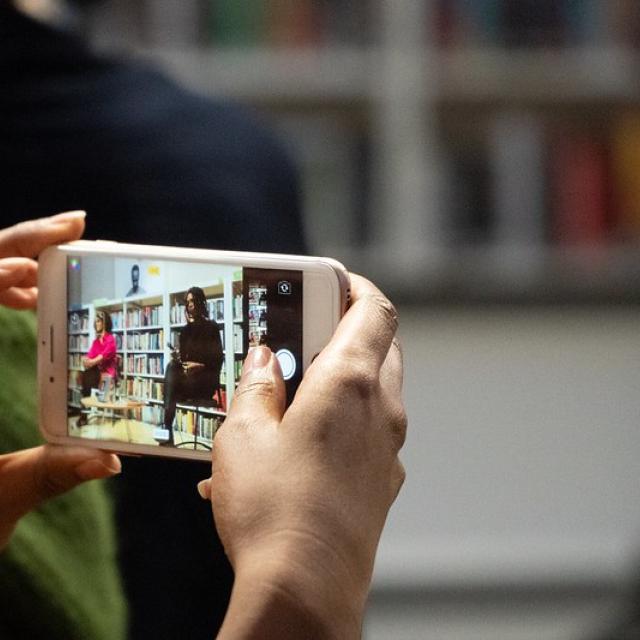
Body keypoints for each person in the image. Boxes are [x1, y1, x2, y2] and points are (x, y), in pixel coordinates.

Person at [0, 212, 406, 638]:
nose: (191, 309)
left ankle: (165, 422)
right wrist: (308, 570)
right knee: (169, 372)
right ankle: (166, 422)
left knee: (172, 375)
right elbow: (179, 356)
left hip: (206, 377)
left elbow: (213, 359)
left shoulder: (211, 328)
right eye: (189, 305)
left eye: (194, 304)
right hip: (185, 374)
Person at [163, 286, 224, 445]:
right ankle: (167, 428)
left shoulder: (212, 328)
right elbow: (184, 360)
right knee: (171, 366)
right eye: (187, 301)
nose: (190, 304)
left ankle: (165, 430)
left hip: (205, 382)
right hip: (187, 381)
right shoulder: (185, 331)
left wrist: (199, 366)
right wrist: (178, 360)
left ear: (201, 302)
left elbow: (218, 360)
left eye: (193, 300)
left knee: (171, 382)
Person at [77, 309, 117, 426]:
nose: (96, 323)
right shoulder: (95, 342)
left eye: (99, 321)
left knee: (88, 374)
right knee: (87, 373)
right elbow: (89, 357)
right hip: (95, 374)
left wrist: (90, 361)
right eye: (96, 321)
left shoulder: (111, 340)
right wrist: (85, 360)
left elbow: (101, 357)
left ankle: (83, 415)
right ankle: (84, 415)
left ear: (105, 323)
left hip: (107, 375)